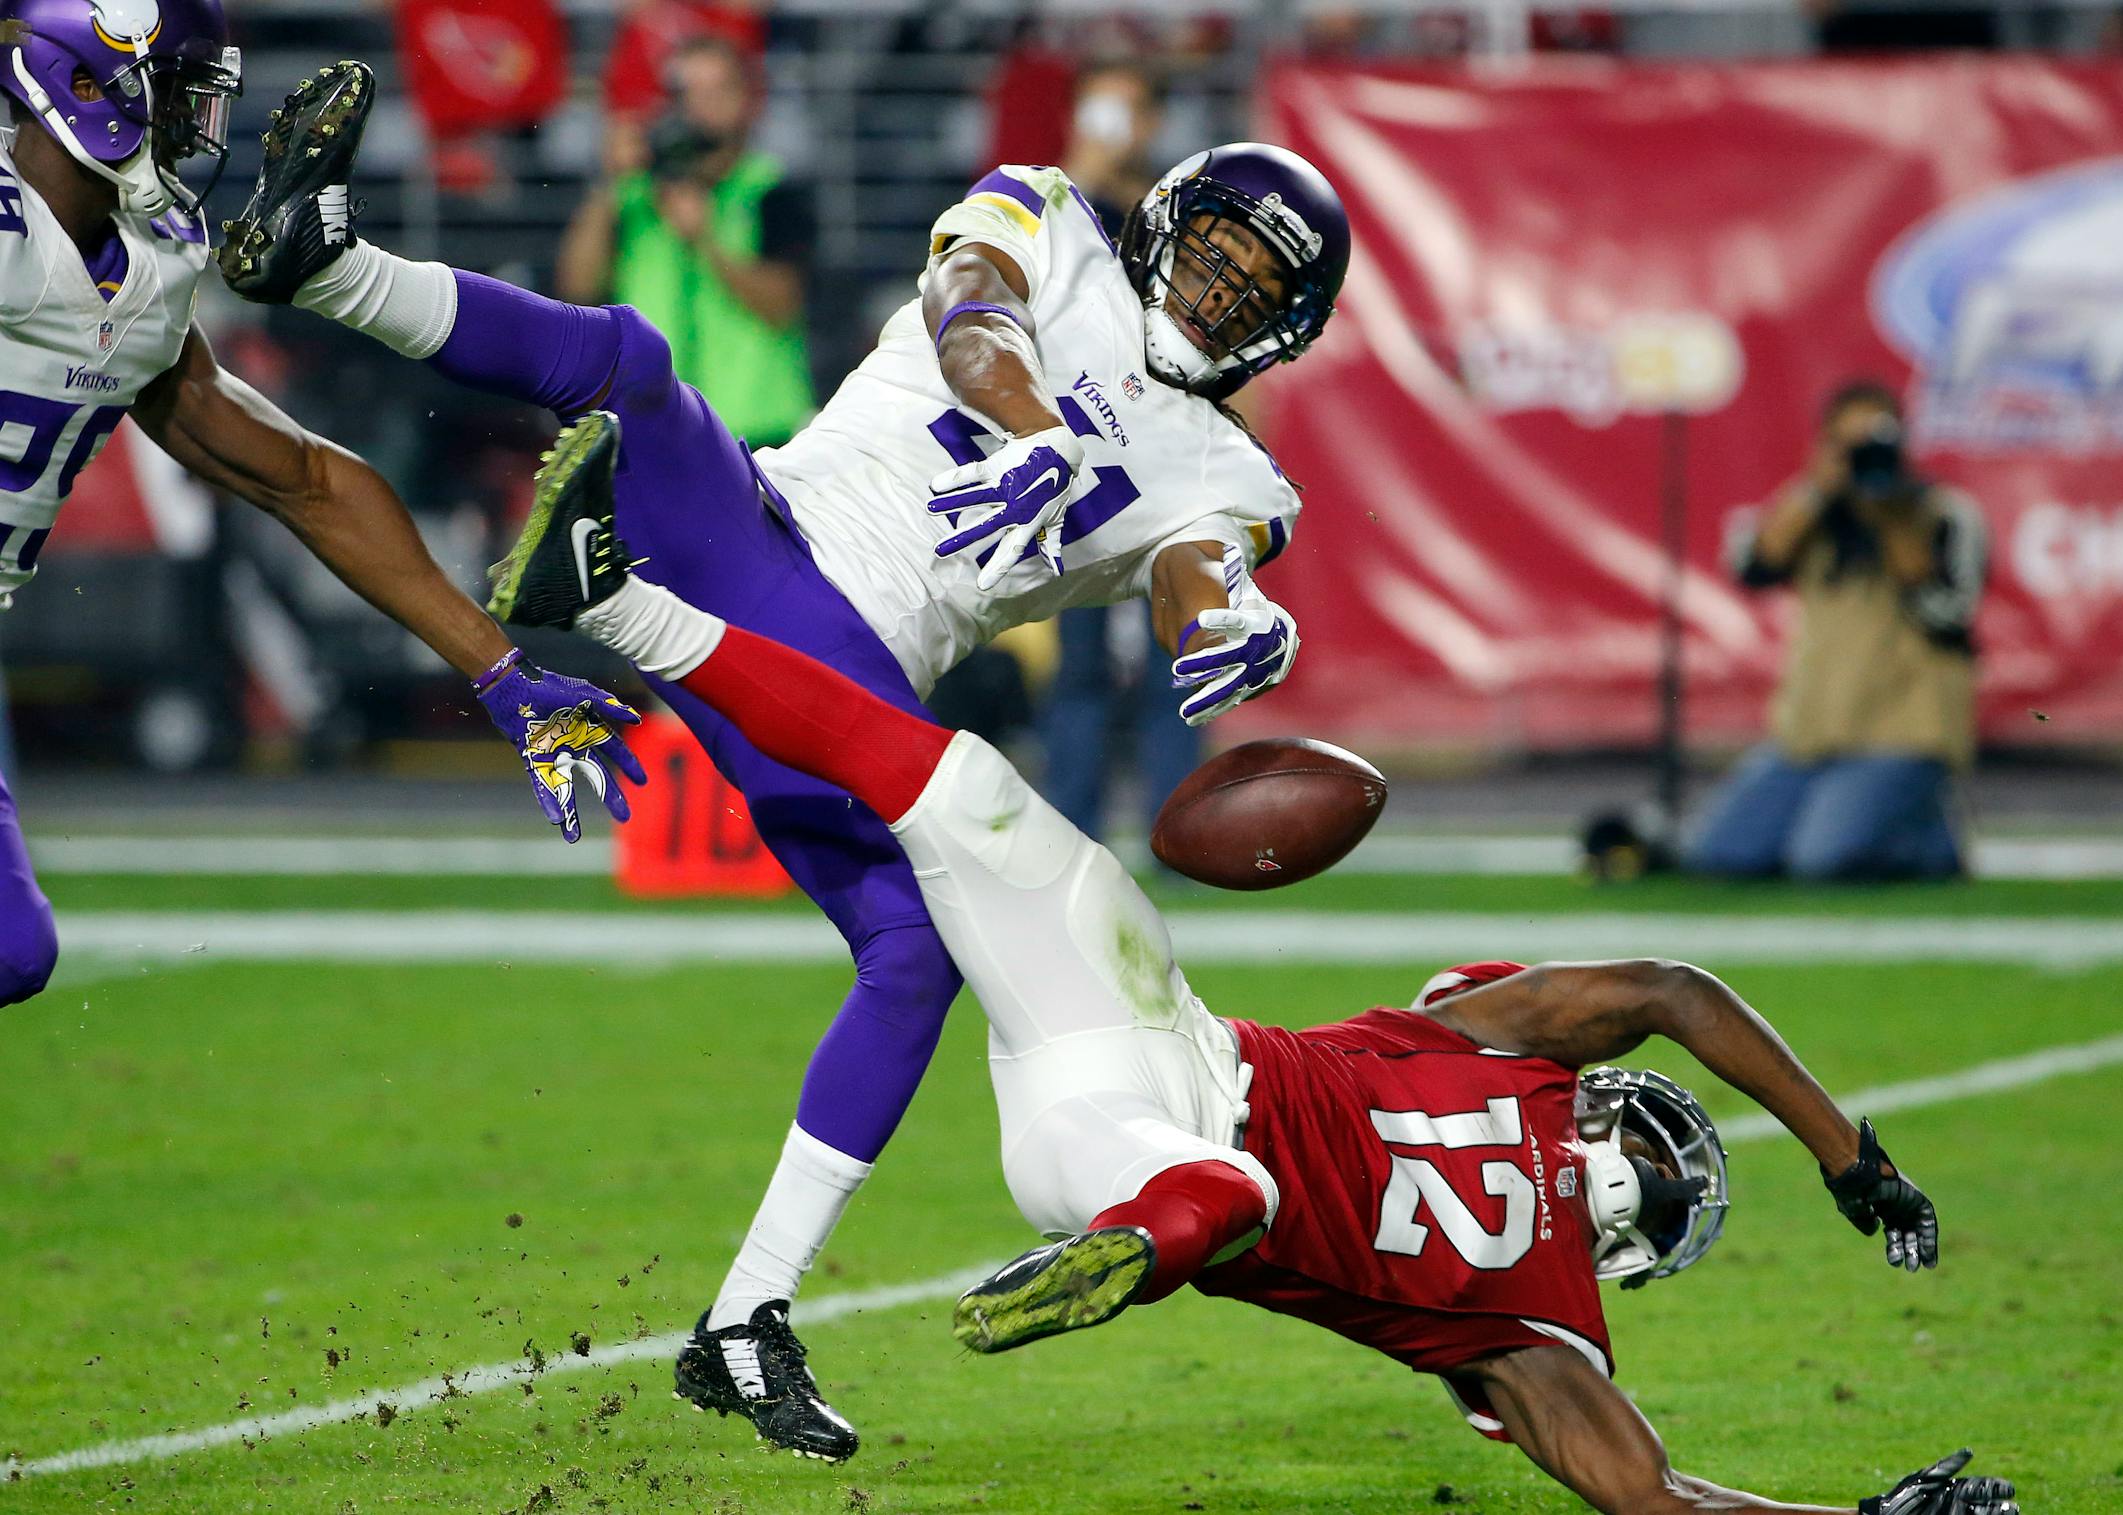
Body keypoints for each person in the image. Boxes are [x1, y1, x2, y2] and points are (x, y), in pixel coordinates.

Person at [487, 412, 2017, 1514]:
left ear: (1621, 1111)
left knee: (967, 801)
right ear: (1626, 1245)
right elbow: (1656, 1497)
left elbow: (1676, 991)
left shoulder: (1508, 1048)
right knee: (1013, 862)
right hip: (1121, 1144)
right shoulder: (1542, 1328)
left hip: (1162, 1049)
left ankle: (620, 598)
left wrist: (1848, 1149)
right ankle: (609, 592)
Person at [219, 61, 1347, 1460]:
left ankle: (744, 1316)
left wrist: (1231, 621)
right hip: (763, 522)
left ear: (1283, 327)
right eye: (1221, 251)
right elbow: (969, 307)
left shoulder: (1240, 476)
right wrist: (1039, 431)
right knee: (634, 366)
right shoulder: (1051, 217)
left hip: (835, 677)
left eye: (1258, 284)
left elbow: (1197, 558)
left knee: (917, 949)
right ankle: (327, 271)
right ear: (1170, 222)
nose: (1226, 288)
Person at [0, 5, 636, 1009]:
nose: (194, 122)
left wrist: (501, 669)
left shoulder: (153, 256)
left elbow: (304, 480)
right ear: (90, 87)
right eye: (178, 89)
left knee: (11, 954)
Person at [1685, 381, 1986, 883]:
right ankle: (1896, 818)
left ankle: (1932, 842)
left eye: (1876, 442)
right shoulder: (1812, 515)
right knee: (1721, 854)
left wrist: (1891, 516)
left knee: (1822, 861)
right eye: (1849, 445)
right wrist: (1814, 488)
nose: (1863, 458)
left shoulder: (1944, 512)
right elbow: (1752, 567)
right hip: (1812, 731)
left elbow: (1947, 612)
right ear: (1825, 445)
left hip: (1905, 732)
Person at [1036, 63, 1204, 843]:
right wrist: (1073, 188)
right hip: (1076, 456)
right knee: (1079, 663)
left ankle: (1180, 833)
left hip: (1167, 455)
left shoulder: (1182, 210)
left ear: (1150, 123)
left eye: (1122, 108)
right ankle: (1074, 828)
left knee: (1183, 646)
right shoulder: (1051, 203)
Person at [557, 32, 813, 451]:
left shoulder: (772, 190)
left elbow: (782, 305)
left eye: (719, 89)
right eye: (688, 91)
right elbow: (577, 285)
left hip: (757, 434)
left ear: (749, 100)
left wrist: (706, 241)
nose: (704, 104)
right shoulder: (635, 194)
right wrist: (609, 183)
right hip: (650, 430)